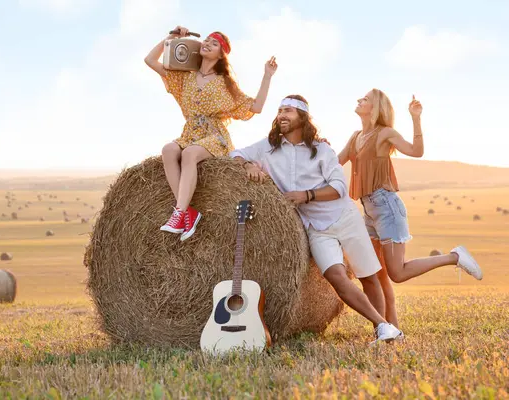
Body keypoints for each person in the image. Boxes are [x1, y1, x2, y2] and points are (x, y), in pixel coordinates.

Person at [230, 95, 403, 344]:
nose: (281, 116)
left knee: (368, 277)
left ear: (302, 116)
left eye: (288, 111)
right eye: (279, 111)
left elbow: (339, 188)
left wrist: (306, 195)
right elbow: (235, 153)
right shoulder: (267, 147)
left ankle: (382, 330)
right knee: (336, 278)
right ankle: (384, 326)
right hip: (315, 228)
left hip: (343, 217)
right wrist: (247, 165)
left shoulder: (321, 150)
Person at [338, 89, 483, 327]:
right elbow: (336, 163)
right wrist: (317, 148)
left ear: (375, 107)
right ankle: (390, 330)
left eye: (364, 99)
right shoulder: (356, 137)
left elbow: (417, 152)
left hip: (387, 207)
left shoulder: (385, 133)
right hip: (368, 211)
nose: (358, 100)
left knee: (397, 273)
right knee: (378, 273)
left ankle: (454, 256)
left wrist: (415, 118)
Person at [144, 26, 278, 241]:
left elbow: (256, 107)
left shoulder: (225, 84)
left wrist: (267, 76)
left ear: (221, 54)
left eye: (214, 43)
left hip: (215, 136)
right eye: (206, 40)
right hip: (190, 133)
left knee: (189, 155)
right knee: (168, 150)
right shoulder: (185, 77)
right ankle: (188, 212)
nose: (207, 43)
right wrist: (171, 39)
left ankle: (178, 212)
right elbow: (150, 61)